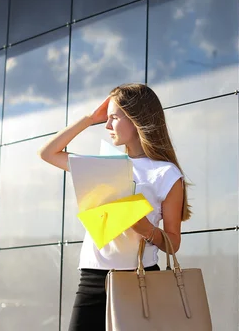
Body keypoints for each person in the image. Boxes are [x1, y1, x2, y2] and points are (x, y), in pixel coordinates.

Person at [37, 83, 191, 331]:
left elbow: (174, 242)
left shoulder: (166, 173)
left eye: (113, 118)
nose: (107, 126)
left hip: (140, 278)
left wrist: (146, 229)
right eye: (106, 119)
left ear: (136, 118)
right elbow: (48, 153)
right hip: (94, 277)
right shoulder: (102, 164)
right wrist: (89, 119)